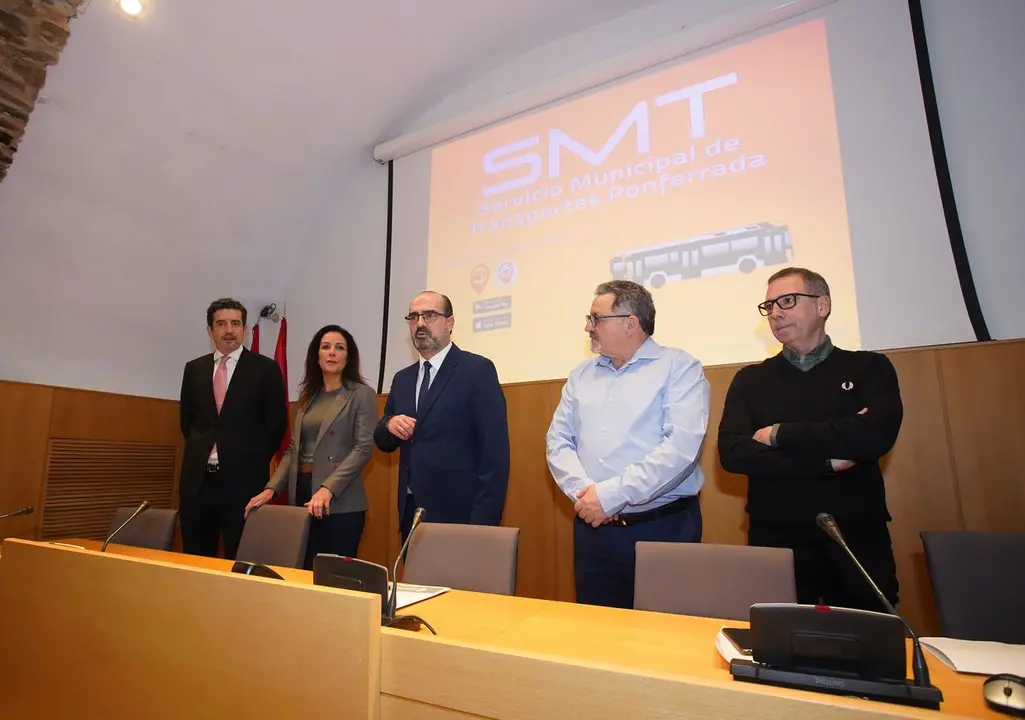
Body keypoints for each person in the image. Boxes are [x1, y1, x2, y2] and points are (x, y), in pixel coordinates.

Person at [718, 267, 903, 612]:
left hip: (855, 531)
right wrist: (827, 459)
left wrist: (778, 434)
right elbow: (733, 453)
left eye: (787, 301)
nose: (775, 313)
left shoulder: (870, 368)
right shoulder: (750, 380)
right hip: (776, 533)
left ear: (822, 306)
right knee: (778, 646)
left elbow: (874, 435)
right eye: (769, 305)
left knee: (870, 645)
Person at [546, 280, 710, 609]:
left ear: (630, 323)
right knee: (599, 636)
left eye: (596, 318)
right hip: (593, 531)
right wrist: (588, 495)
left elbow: (680, 449)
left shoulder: (679, 368)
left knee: (664, 638)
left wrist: (611, 496)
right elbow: (558, 441)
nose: (587, 327)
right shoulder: (581, 376)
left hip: (663, 528)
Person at [373, 291, 510, 541]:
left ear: (449, 322)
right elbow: (383, 440)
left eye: (430, 315)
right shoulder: (402, 379)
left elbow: (495, 455)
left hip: (462, 517)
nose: (421, 323)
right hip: (411, 515)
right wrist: (389, 424)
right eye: (414, 317)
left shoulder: (477, 371)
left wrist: (483, 523)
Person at [244, 325, 376, 568]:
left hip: (340, 501)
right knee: (303, 571)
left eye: (339, 348)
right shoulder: (308, 398)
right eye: (325, 347)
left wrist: (328, 488)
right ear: (316, 356)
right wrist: (271, 489)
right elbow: (293, 450)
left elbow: (363, 448)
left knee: (334, 576)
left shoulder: (361, 394)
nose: (332, 353)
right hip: (302, 496)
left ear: (348, 357)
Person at [178, 298, 287, 559]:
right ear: (210, 331)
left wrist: (249, 459)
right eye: (221, 324)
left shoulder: (265, 369)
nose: (229, 330)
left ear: (245, 329)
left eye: (236, 323)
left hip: (243, 484)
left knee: (240, 560)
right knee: (195, 560)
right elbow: (187, 423)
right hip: (198, 483)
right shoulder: (194, 369)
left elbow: (277, 425)